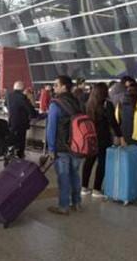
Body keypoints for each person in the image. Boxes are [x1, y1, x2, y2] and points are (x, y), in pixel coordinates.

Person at [46, 75, 83, 216]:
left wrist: (51, 148)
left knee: (63, 177)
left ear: (64, 87)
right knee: (75, 175)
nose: (53, 87)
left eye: (56, 85)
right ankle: (77, 203)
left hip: (62, 147)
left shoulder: (56, 104)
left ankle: (63, 206)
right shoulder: (77, 101)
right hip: (77, 145)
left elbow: (51, 128)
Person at [81, 83, 122, 197]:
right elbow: (113, 122)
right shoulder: (107, 104)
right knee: (102, 163)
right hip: (103, 138)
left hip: (90, 138)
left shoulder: (88, 104)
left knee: (89, 162)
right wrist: (120, 136)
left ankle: (84, 187)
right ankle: (96, 189)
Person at [7, 81, 37, 159]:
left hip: (12, 121)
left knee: (12, 138)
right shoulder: (22, 97)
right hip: (21, 123)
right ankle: (20, 156)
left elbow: (5, 105)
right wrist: (34, 114)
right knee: (21, 141)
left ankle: (11, 153)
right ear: (22, 88)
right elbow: (29, 109)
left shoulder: (9, 95)